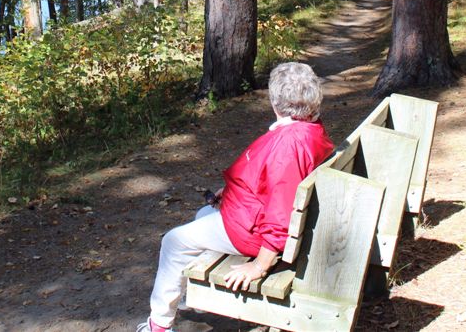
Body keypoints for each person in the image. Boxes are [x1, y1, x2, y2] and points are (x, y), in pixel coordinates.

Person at [137, 62, 335, 332]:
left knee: (173, 241)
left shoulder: (288, 145)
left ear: (275, 102)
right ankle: (186, 289)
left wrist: (259, 266)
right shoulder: (310, 128)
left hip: (252, 231)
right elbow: (271, 182)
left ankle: (159, 324)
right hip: (250, 214)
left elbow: (280, 214)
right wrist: (233, 191)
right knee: (202, 215)